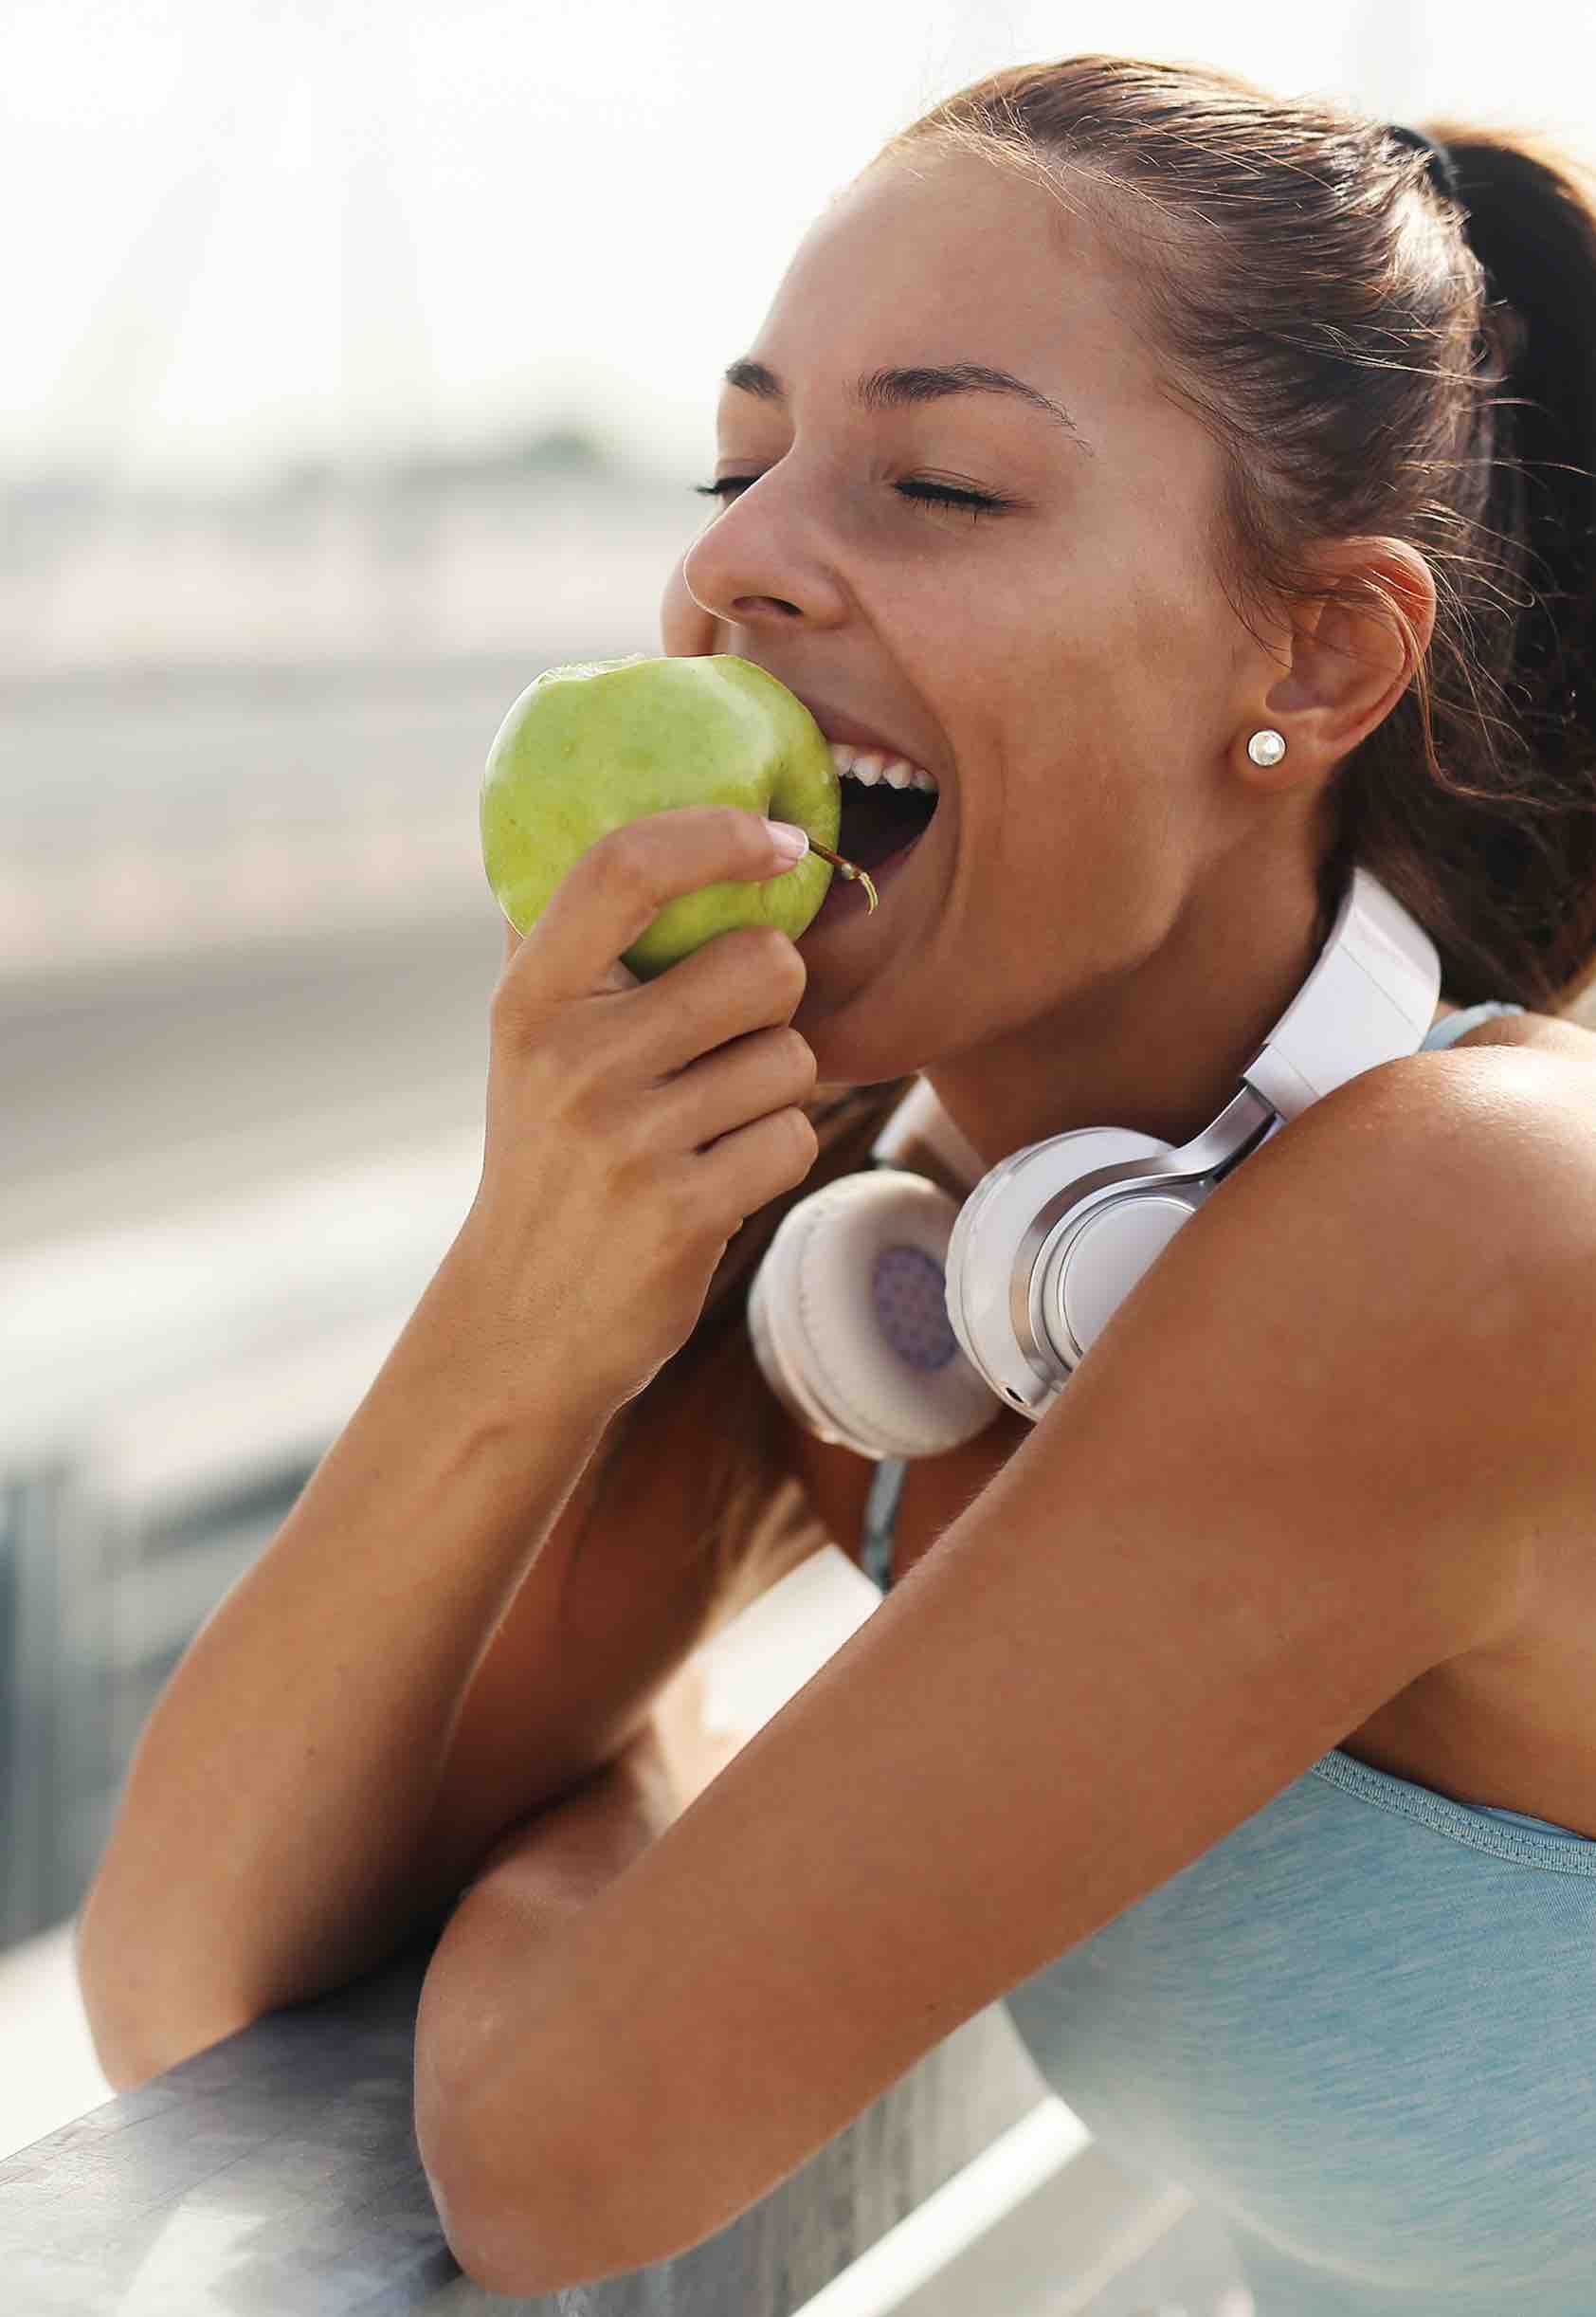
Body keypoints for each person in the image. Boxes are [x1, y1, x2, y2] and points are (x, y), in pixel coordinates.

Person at [77, 52, 1596, 2316]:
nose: (731, 559)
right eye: (737, 458)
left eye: (938, 483)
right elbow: (190, 1979)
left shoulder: (1467, 1230)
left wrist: (613, 1823)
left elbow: (556, 2152)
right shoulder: (882, 1279)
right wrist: (528, 1293)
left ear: (1314, 649)